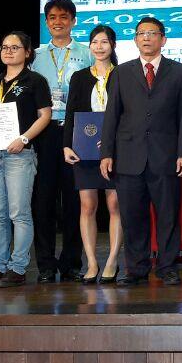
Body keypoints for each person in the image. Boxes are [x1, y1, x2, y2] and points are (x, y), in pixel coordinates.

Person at [100, 17, 182, 286]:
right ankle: (137, 269)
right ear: (135, 40)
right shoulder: (121, 72)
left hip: (166, 156)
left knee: (167, 215)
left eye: (152, 33)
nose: (147, 38)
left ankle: (167, 267)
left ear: (163, 39)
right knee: (132, 216)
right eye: (142, 33)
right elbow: (112, 115)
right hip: (128, 156)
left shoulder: (179, 72)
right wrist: (107, 153)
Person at [0, 31, 53, 288]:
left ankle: (18, 267)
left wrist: (24, 139)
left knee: (19, 212)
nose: (8, 51)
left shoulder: (35, 81)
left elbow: (45, 115)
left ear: (27, 52)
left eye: (15, 47)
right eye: (4, 47)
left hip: (20, 154)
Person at [28, 0, 91, 283]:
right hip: (43, 131)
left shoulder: (88, 54)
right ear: (46, 21)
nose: (57, 21)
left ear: (73, 20)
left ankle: (71, 263)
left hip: (76, 131)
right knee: (43, 201)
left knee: (75, 202)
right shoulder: (35, 56)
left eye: (64, 17)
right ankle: (44, 265)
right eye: (52, 17)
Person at [63, 25, 124, 284]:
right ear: (89, 46)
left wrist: (115, 141)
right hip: (84, 150)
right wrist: (67, 145)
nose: (99, 47)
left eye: (104, 42)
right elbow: (70, 113)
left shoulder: (123, 74)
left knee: (114, 205)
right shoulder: (79, 77)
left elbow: (128, 113)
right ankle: (91, 262)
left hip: (115, 150)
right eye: (95, 42)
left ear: (113, 45)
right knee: (87, 206)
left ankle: (111, 261)